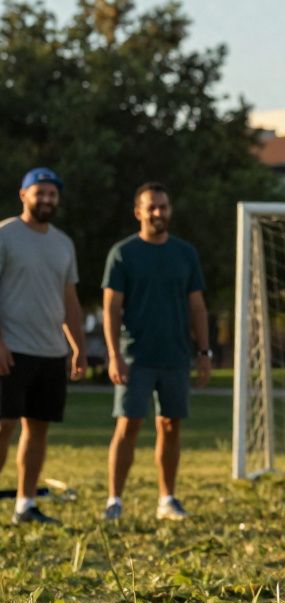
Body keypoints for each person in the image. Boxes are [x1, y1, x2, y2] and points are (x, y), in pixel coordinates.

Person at [102, 182, 211, 521]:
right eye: (151, 207)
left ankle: (167, 499)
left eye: (163, 206)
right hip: (135, 356)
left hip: (175, 355)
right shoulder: (123, 253)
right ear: (138, 212)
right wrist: (114, 355)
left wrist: (203, 352)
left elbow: (197, 307)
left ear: (170, 210)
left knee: (170, 425)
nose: (158, 213)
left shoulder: (185, 253)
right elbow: (111, 309)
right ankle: (114, 501)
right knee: (128, 424)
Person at [0, 167, 88, 525]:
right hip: (11, 348)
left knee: (38, 428)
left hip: (51, 351)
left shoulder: (63, 243)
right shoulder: (5, 234)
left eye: (52, 194)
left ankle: (25, 505)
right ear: (24, 195)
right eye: (40, 192)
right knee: (3, 425)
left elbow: (69, 299)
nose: (47, 199)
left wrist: (78, 346)